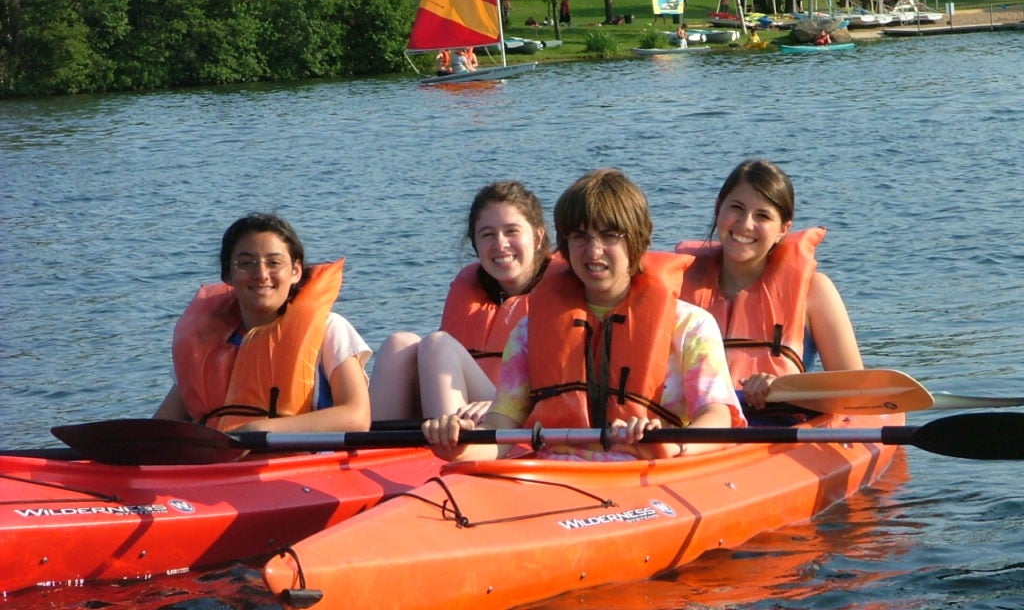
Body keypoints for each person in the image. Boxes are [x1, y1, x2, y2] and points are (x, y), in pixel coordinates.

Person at [423, 169, 745, 462]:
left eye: (609, 236)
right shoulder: (529, 332)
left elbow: (717, 416)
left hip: (649, 472)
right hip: (557, 476)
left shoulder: (692, 326)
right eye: (580, 238)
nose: (593, 252)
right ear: (564, 244)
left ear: (637, 239)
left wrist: (671, 444)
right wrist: (459, 443)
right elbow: (500, 428)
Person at [153, 213, 372, 433]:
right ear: (227, 275)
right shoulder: (203, 342)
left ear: (296, 271)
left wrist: (257, 429)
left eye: (274, 263)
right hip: (222, 463)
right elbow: (159, 428)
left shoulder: (330, 328)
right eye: (245, 264)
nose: (261, 274)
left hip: (302, 460)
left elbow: (357, 416)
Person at [674, 159, 863, 411]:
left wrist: (785, 389)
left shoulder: (815, 291)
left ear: (783, 230)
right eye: (736, 208)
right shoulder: (676, 287)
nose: (745, 224)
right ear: (718, 209)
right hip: (702, 431)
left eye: (762, 215)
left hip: (782, 430)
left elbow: (856, 390)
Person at [369, 181, 551, 423]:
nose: (500, 244)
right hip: (471, 409)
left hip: (518, 417)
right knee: (398, 344)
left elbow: (567, 383)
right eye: (488, 235)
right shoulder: (471, 288)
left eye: (511, 231)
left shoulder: (564, 293)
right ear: (475, 244)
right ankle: (375, 453)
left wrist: (500, 405)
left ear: (538, 238)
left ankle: (450, 447)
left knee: (438, 344)